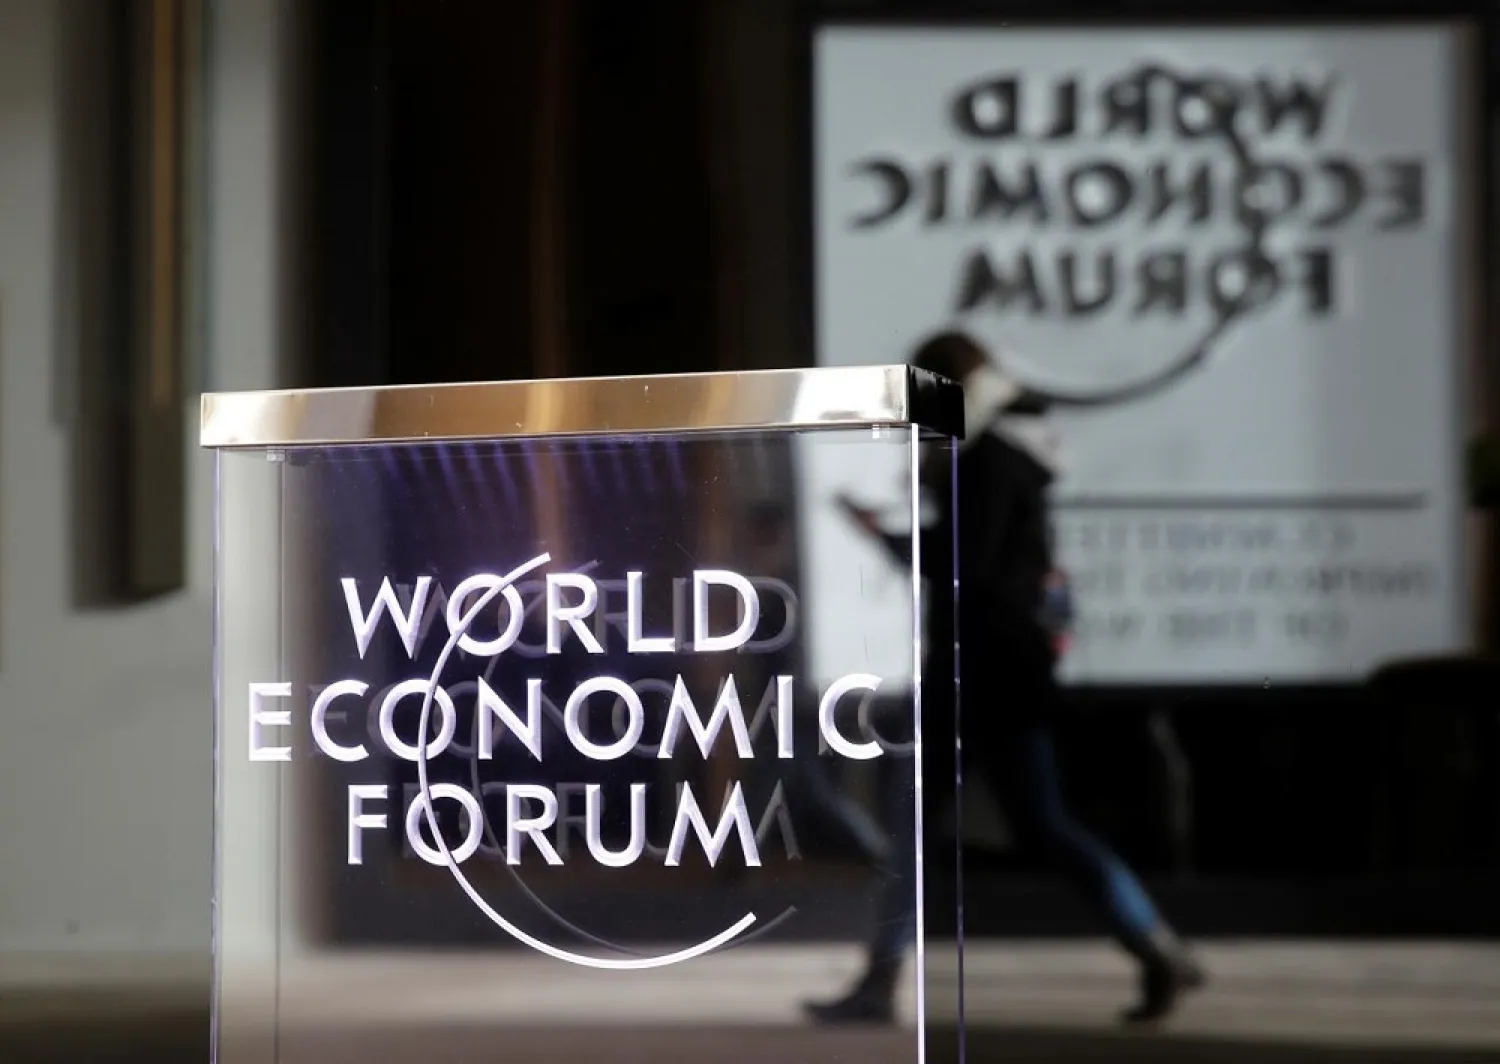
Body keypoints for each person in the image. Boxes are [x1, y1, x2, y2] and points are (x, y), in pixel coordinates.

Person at [803, 331, 1205, 1026]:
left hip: (974, 672)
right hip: (1009, 671)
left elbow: (967, 568)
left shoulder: (983, 461)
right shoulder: (1009, 453)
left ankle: (879, 984)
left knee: (917, 832)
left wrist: (884, 534)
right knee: (1042, 827)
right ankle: (1156, 947)